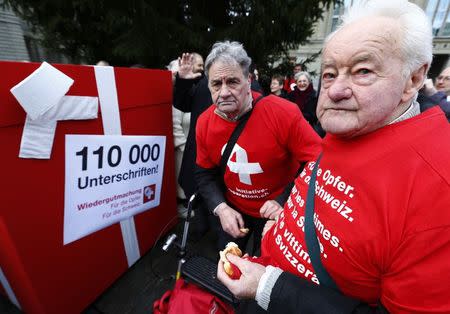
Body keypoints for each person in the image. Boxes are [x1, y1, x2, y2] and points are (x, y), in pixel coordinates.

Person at [217, 1, 450, 313]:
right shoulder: (351, 125)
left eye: (363, 71)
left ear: (413, 80)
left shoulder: (438, 185)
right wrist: (285, 221)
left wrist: (269, 286)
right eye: (328, 74)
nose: (336, 90)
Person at [195, 41, 321, 253]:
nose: (224, 92)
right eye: (216, 84)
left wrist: (285, 200)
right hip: (233, 209)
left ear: (249, 80)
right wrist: (221, 208)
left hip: (278, 211)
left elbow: (318, 162)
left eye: (233, 82)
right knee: (229, 268)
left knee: (268, 274)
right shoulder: (204, 122)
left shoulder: (282, 112)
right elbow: (204, 173)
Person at [173, 52, 215, 237]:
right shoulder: (201, 84)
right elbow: (182, 103)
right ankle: (200, 225)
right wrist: (182, 80)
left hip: (219, 155)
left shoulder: (234, 85)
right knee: (194, 191)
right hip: (196, 153)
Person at [167, 59, 191, 217]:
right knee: (179, 182)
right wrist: (185, 147)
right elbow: (174, 124)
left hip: (188, 147)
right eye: (175, 73)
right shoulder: (172, 93)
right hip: (182, 150)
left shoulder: (186, 91)